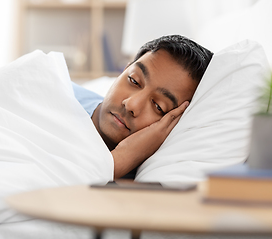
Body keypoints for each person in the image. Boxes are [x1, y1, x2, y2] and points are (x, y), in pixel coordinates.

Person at [73, 35, 213, 179]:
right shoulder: (57, 92)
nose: (131, 104)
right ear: (124, 70)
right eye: (134, 80)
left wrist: (125, 158)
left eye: (158, 106)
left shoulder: (150, 179)